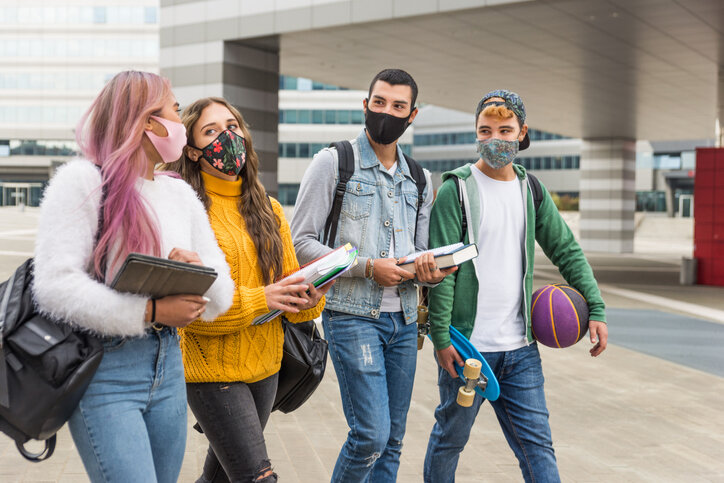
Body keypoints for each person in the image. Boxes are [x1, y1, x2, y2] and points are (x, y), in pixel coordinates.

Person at [32, 71, 234, 483]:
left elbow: (223, 294)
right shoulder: (84, 182)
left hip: (170, 366)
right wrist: (152, 308)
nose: (181, 123)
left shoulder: (179, 193)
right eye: (174, 111)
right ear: (146, 122)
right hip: (106, 369)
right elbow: (53, 287)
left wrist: (196, 271)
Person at [423, 89, 608, 483]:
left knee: (538, 449)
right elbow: (443, 272)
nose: (495, 139)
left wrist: (597, 308)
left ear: (522, 132)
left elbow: (567, 251)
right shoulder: (456, 190)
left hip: (521, 352)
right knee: (449, 441)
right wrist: (441, 338)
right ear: (476, 133)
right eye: (485, 130)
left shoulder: (531, 190)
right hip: (468, 351)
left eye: (505, 130)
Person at [292, 68, 456, 482]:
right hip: (351, 317)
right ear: (365, 105)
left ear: (412, 115)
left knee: (393, 440)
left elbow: (419, 255)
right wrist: (366, 267)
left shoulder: (420, 178)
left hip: (402, 322)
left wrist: (430, 272)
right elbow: (300, 245)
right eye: (379, 103)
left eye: (398, 106)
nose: (387, 112)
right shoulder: (333, 163)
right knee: (370, 435)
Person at [165, 96, 330, 483]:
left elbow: (295, 305)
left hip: (267, 367)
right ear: (191, 151)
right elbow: (190, 312)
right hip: (211, 371)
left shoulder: (269, 209)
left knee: (219, 478)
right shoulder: (187, 209)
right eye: (211, 131)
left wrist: (310, 297)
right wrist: (263, 298)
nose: (227, 136)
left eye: (232, 126)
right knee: (257, 477)